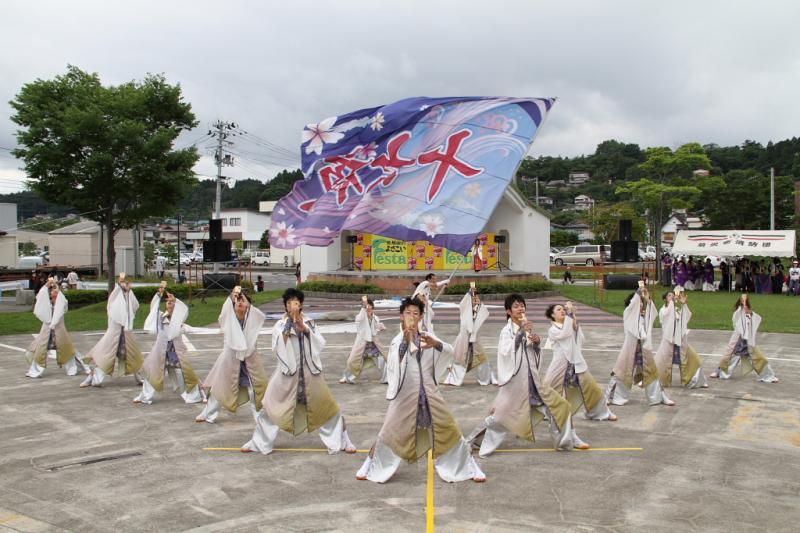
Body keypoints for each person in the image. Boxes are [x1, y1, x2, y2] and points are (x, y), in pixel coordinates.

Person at [356, 297, 485, 483]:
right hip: (405, 397)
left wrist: (437, 345)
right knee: (389, 434)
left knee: (451, 431)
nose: (411, 316)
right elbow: (393, 366)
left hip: (430, 394)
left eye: (416, 313)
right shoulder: (397, 341)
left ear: (421, 316)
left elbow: (449, 352)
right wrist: (405, 343)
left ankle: (470, 466)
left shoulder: (427, 336)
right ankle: (370, 464)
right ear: (401, 316)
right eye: (408, 313)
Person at [241, 288, 356, 455]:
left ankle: (343, 441)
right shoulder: (280, 325)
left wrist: (305, 329)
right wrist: (290, 325)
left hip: (311, 374)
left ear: (301, 304)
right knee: (271, 410)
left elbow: (320, 343)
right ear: (286, 306)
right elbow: (277, 347)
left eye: (294, 302)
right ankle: (258, 442)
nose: (291, 305)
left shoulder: (309, 323)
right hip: (286, 375)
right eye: (288, 303)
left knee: (329, 410)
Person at [466, 294, 578, 457]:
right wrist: (520, 335)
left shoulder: (526, 327)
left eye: (522, 306)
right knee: (499, 417)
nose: (520, 309)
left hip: (534, 382)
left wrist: (536, 342)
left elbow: (530, 352)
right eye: (516, 306)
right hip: (516, 384)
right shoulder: (507, 331)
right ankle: (470, 440)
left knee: (560, 406)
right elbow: (505, 353)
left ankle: (565, 442)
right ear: (509, 312)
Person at [196, 287, 270, 423]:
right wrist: (232, 296)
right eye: (237, 301)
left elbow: (260, 316)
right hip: (230, 359)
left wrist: (248, 304)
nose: (240, 302)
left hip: (250, 360)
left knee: (255, 390)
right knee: (219, 388)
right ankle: (208, 414)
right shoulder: (228, 318)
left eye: (243, 301)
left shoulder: (253, 317)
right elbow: (224, 312)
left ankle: (260, 418)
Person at [544, 301, 618, 426]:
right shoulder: (552, 330)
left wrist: (574, 324)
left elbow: (577, 337)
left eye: (563, 309)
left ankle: (601, 413)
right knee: (550, 389)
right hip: (559, 365)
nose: (562, 311)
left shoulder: (567, 323)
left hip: (576, 362)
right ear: (552, 315)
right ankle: (547, 412)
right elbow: (565, 334)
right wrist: (569, 315)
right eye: (558, 310)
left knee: (593, 388)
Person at [606, 282, 675, 406]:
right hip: (629, 348)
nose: (641, 304)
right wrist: (639, 291)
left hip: (643, 348)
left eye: (641, 303)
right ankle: (610, 397)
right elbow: (633, 305)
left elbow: (651, 313)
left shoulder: (642, 317)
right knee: (621, 372)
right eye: (639, 302)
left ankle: (660, 397)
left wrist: (648, 299)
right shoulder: (628, 313)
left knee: (652, 372)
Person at [134, 292, 204, 405]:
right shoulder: (160, 317)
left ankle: (195, 394)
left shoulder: (179, 319)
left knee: (186, 374)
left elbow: (184, 310)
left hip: (175, 353)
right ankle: (144, 396)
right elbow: (153, 308)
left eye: (172, 302)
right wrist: (158, 294)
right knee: (152, 373)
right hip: (160, 352)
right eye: (168, 301)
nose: (169, 302)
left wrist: (176, 300)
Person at [80, 273, 144, 388]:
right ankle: (93, 377)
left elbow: (135, 306)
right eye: (122, 286)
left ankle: (140, 378)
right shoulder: (114, 300)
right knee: (104, 356)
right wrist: (120, 285)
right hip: (113, 334)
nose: (125, 287)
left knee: (132, 356)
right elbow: (112, 302)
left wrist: (128, 291)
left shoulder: (128, 298)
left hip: (126, 334)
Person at [25, 277, 89, 378]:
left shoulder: (62, 303)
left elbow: (62, 299)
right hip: (47, 333)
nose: (53, 293)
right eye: (52, 293)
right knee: (40, 351)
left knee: (68, 351)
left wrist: (56, 286)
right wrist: (47, 285)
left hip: (59, 332)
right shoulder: (47, 305)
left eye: (55, 292)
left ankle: (75, 369)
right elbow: (41, 296)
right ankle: (34, 371)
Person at [710, 295, 779, 382]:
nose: (743, 301)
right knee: (728, 356)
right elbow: (736, 322)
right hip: (738, 340)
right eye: (742, 300)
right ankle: (719, 372)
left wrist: (749, 312)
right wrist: (744, 311)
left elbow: (756, 319)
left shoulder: (751, 312)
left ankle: (769, 375)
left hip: (748, 342)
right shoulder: (738, 312)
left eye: (745, 300)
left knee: (759, 358)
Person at [442, 284, 497, 386]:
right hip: (464, 339)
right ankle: (453, 379)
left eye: (476, 296)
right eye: (473, 297)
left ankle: (486, 379)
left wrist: (478, 304)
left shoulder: (480, 308)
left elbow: (484, 313)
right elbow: (462, 304)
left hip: (475, 340)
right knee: (459, 361)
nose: (474, 299)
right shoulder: (465, 310)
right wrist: (469, 293)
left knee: (482, 360)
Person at [654, 288, 708, 389]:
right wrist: (672, 304)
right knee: (660, 363)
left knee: (695, 360)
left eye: (672, 295)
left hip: (680, 341)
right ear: (665, 298)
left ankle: (697, 381)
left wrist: (683, 304)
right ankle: (653, 381)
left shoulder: (676, 309)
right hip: (669, 341)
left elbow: (686, 318)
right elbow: (666, 317)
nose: (672, 297)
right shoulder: (663, 310)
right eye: (669, 296)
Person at [340, 295, 387, 384]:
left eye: (370, 307)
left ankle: (387, 379)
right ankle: (346, 378)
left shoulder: (375, 317)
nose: (368, 308)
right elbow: (359, 318)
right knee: (352, 361)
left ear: (373, 308)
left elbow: (376, 327)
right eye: (366, 307)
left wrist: (381, 327)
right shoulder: (361, 316)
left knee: (384, 358)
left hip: (373, 344)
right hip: (362, 343)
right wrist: (364, 305)